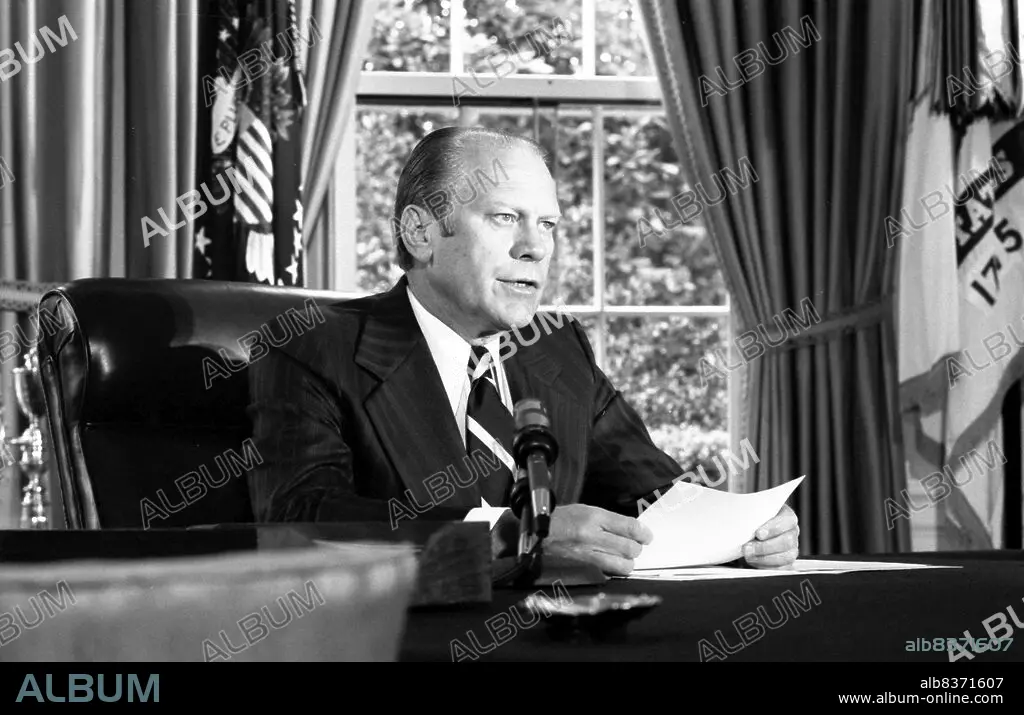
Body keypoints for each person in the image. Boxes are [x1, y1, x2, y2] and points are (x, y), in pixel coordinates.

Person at [247, 126, 799, 576]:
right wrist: (514, 536)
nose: (535, 248)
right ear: (420, 232)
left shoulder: (557, 349)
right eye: (505, 218)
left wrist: (744, 529)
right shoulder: (310, 347)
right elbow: (300, 521)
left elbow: (654, 498)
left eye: (548, 225)